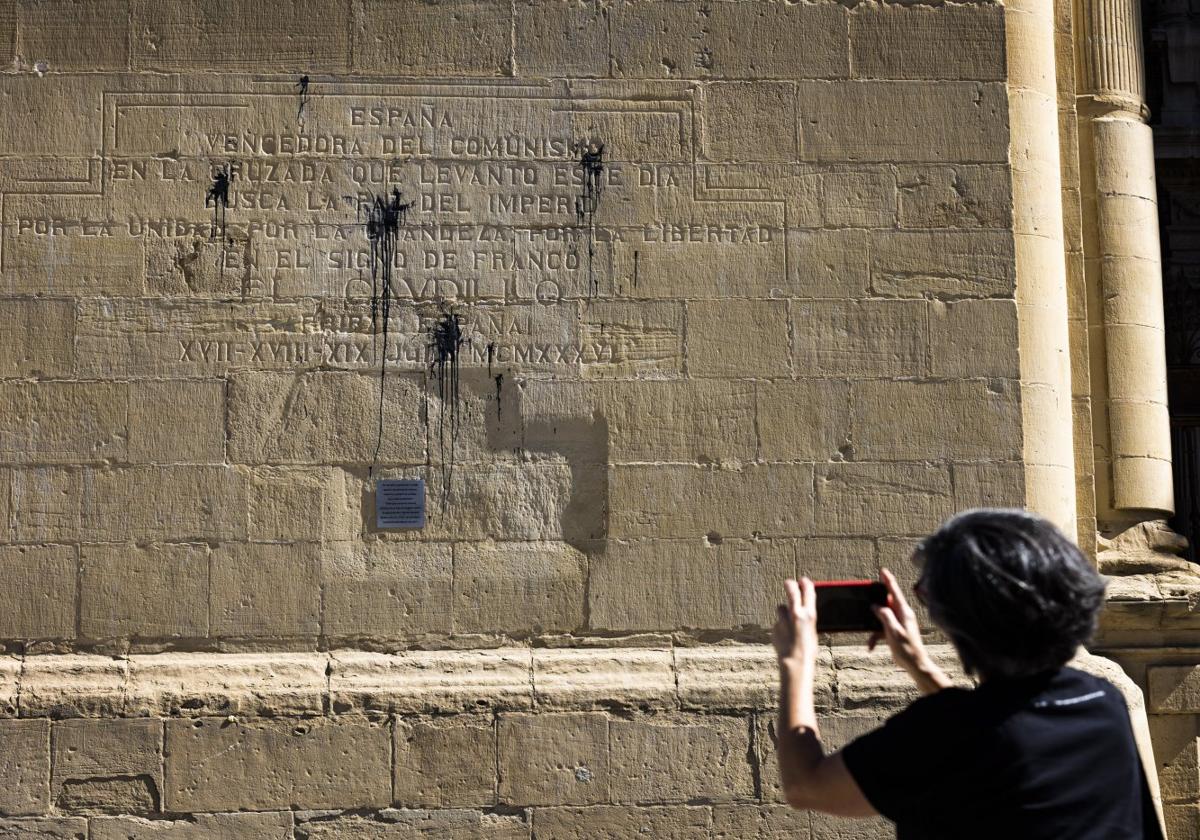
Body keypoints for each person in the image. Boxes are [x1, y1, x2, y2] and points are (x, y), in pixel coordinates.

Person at [771, 508, 1164, 839]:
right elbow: (993, 725)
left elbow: (807, 785)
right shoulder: (1101, 700)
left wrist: (797, 659)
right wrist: (919, 664)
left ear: (965, 619)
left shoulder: (944, 732)